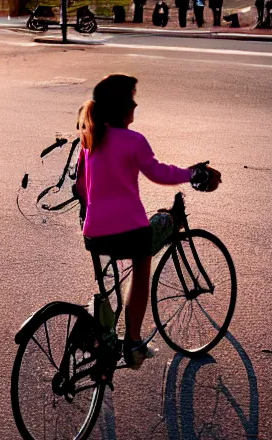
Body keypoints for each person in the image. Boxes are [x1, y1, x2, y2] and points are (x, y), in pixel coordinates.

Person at [75, 74, 221, 369]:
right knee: (142, 268)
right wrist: (191, 173)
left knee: (110, 283)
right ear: (120, 107)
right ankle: (133, 343)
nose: (136, 103)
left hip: (93, 232)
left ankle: (101, 335)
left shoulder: (90, 141)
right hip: (129, 230)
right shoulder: (133, 140)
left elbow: (80, 187)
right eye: (131, 98)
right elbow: (159, 174)